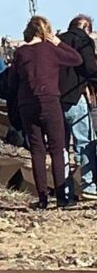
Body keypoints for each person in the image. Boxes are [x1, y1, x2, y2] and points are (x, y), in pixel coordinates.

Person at [7, 15, 82, 209]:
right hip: (50, 101)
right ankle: (62, 199)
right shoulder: (51, 49)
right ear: (46, 31)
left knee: (37, 150)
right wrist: (58, 43)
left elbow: (12, 83)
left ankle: (42, 199)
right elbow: (76, 59)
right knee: (57, 149)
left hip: (27, 105)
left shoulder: (20, 53)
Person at [59, 14, 97, 201]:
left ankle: (65, 191)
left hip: (55, 99)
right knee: (85, 142)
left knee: (61, 147)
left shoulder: (56, 41)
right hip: (76, 97)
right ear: (86, 27)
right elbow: (89, 69)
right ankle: (88, 185)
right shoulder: (84, 41)